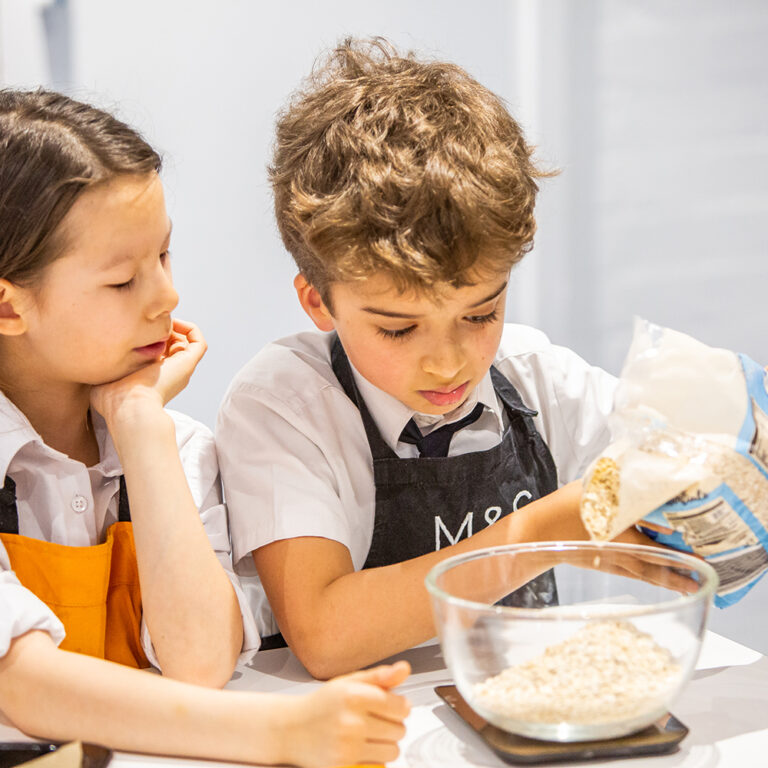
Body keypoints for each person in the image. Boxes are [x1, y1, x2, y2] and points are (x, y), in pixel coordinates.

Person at [216, 38, 654, 680]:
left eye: (481, 314)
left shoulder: (530, 377)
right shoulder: (286, 405)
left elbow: (663, 461)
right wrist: (557, 523)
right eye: (398, 329)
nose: (449, 364)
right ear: (318, 302)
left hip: (520, 709)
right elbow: (327, 635)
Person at [0, 89, 409, 768]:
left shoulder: (174, 446)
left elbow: (198, 663)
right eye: (123, 281)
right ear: (9, 309)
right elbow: (24, 684)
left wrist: (141, 427)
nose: (167, 297)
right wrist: (279, 733)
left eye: (164, 257)